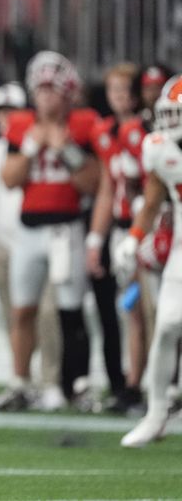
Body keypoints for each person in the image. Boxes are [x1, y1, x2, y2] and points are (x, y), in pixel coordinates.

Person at [0, 51, 99, 409]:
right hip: (28, 231)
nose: (45, 96)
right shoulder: (21, 124)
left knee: (70, 311)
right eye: (40, 89)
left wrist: (66, 149)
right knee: (22, 310)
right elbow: (9, 178)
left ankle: (79, 385)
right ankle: (19, 382)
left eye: (52, 89)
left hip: (66, 229)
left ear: (67, 92)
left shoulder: (85, 123)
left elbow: (93, 182)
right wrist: (31, 146)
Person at [0, 82, 64, 412]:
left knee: (47, 314)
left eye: (12, 110)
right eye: (2, 110)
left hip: (36, 238)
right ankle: (21, 381)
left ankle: (51, 382)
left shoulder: (38, 144)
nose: (7, 117)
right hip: (3, 241)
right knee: (14, 317)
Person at [117, 75, 182, 447]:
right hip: (180, 247)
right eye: (167, 114)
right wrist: (134, 239)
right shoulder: (159, 149)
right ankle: (156, 413)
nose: (170, 122)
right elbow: (155, 198)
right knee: (168, 326)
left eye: (178, 114)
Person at [86, 63, 144, 414]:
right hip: (124, 229)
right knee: (129, 311)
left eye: (126, 89)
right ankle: (131, 384)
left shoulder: (148, 129)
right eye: (114, 90)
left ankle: (151, 384)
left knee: (151, 312)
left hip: (150, 229)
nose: (120, 96)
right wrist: (96, 239)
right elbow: (109, 185)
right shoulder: (106, 131)